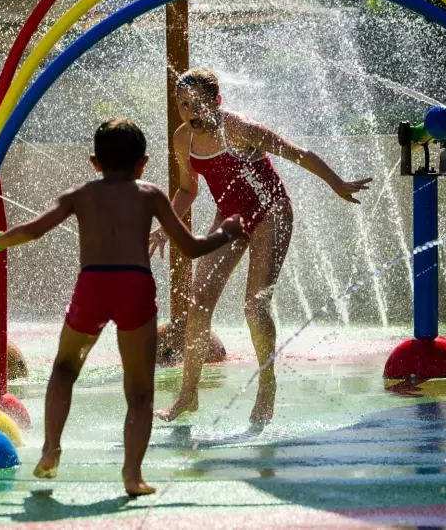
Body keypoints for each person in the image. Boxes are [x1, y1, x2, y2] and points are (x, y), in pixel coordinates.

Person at [0, 118, 246, 497]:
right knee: (140, 392)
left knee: (64, 369)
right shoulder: (151, 195)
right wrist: (227, 232)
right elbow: (192, 247)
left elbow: (34, 230)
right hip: (135, 287)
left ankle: (51, 450)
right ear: (143, 163)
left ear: (94, 162)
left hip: (94, 286)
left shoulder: (80, 194)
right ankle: (132, 475)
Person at [151, 68, 372, 424]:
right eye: (183, 104)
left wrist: (336, 183)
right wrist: (165, 228)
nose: (191, 111)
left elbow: (298, 153)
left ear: (216, 101)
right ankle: (188, 396)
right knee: (199, 301)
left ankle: (267, 386)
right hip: (231, 217)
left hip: (271, 212)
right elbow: (188, 190)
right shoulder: (182, 139)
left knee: (254, 308)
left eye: (198, 103)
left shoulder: (240, 128)